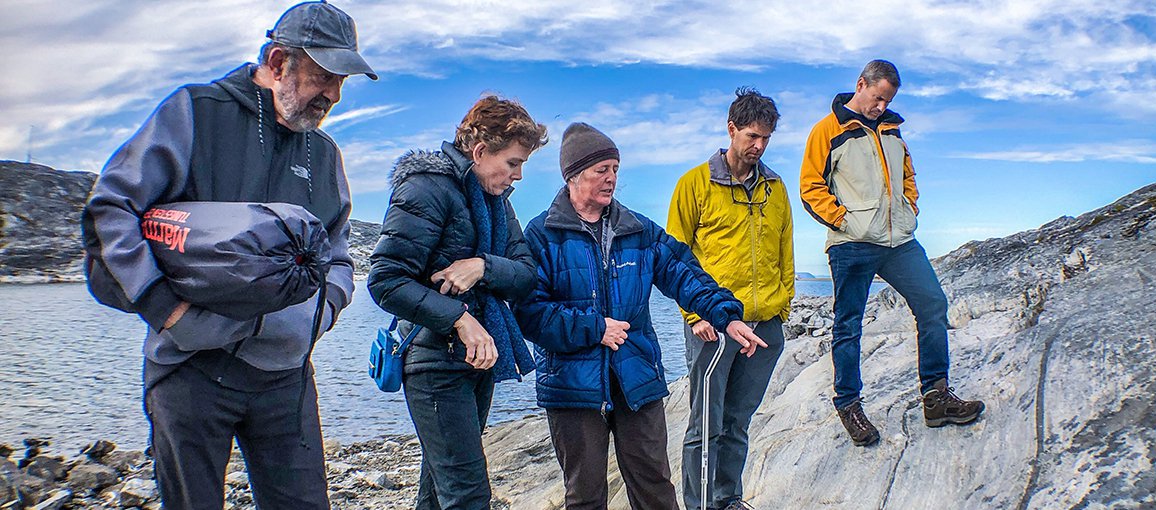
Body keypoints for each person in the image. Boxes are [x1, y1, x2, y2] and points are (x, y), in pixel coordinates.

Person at [80, 2, 376, 508]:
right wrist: (164, 309)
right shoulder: (196, 111)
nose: (333, 93)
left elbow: (340, 255)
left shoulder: (324, 155)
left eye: (342, 81)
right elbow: (111, 211)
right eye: (324, 75)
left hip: (285, 377)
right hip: (191, 370)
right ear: (278, 61)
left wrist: (319, 313)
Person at [515, 122, 769, 510]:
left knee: (655, 487)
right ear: (573, 175)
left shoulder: (636, 229)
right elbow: (529, 313)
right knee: (584, 496)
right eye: (602, 170)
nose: (612, 178)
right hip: (572, 385)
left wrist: (726, 316)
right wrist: (593, 328)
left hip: (637, 376)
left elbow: (685, 275)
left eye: (615, 169)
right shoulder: (541, 234)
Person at [367, 96, 547, 509]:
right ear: (481, 152)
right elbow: (386, 281)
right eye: (514, 163)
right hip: (434, 364)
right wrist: (460, 320)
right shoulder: (425, 188)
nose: (518, 175)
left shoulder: (497, 201)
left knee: (437, 491)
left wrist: (481, 266)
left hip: (476, 361)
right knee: (467, 494)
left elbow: (525, 275)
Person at [799, 60, 985, 447]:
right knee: (848, 324)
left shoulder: (893, 130)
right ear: (861, 84)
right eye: (877, 97)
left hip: (898, 241)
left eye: (888, 100)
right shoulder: (827, 129)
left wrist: (909, 209)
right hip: (852, 244)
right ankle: (849, 404)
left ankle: (936, 397)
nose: (881, 106)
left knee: (932, 304)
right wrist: (845, 221)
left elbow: (908, 178)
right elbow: (810, 187)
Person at [667, 88, 794, 510]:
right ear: (731, 129)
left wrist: (782, 309)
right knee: (706, 424)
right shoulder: (694, 184)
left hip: (765, 327)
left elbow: (785, 252)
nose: (758, 146)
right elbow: (674, 256)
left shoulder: (776, 188)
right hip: (714, 327)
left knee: (738, 422)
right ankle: (699, 504)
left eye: (766, 139)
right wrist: (693, 314)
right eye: (752, 136)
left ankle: (729, 499)